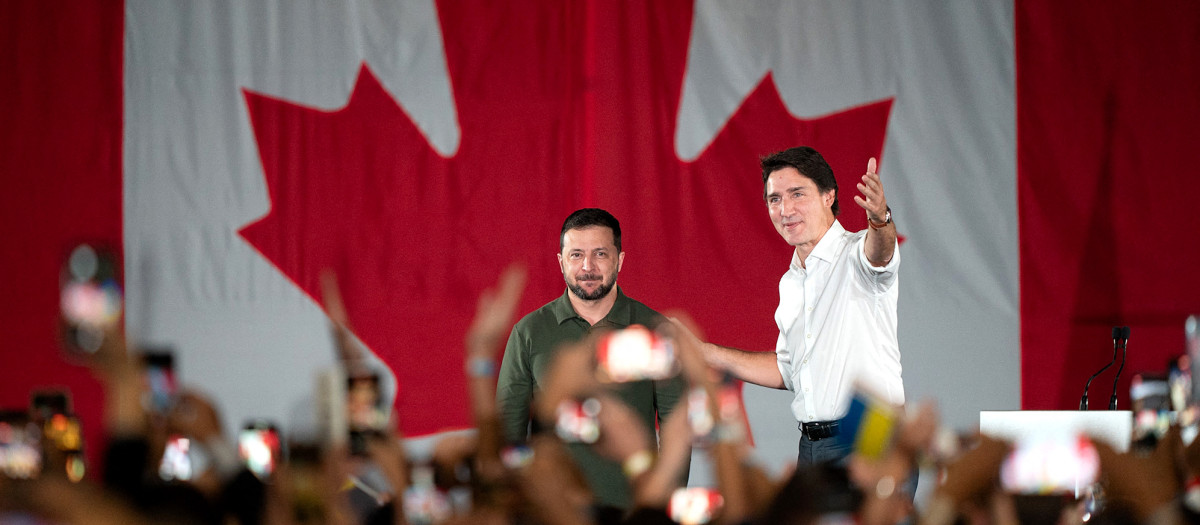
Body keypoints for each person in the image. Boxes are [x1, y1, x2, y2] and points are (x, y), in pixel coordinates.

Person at [679, 146, 903, 465]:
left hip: (868, 441)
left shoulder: (857, 253)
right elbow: (788, 370)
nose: (785, 209)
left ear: (828, 195)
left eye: (797, 194)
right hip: (811, 447)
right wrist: (704, 352)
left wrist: (880, 220)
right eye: (775, 199)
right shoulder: (791, 281)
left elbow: (880, 254)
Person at [496, 208, 687, 512]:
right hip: (553, 513)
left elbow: (677, 427)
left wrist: (662, 509)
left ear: (620, 260)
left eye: (600, 254)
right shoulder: (529, 332)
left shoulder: (655, 330)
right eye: (576, 255)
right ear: (561, 263)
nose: (587, 267)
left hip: (634, 510)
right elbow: (508, 433)